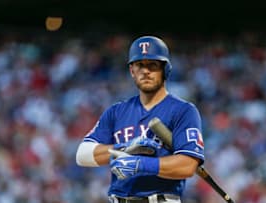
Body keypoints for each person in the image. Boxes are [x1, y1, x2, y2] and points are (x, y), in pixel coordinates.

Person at [76, 35, 205, 203]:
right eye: (139, 65)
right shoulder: (117, 111)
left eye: (152, 65)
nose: (145, 71)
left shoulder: (183, 110)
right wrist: (123, 148)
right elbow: (82, 155)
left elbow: (188, 165)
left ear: (165, 70)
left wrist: (142, 164)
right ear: (132, 71)